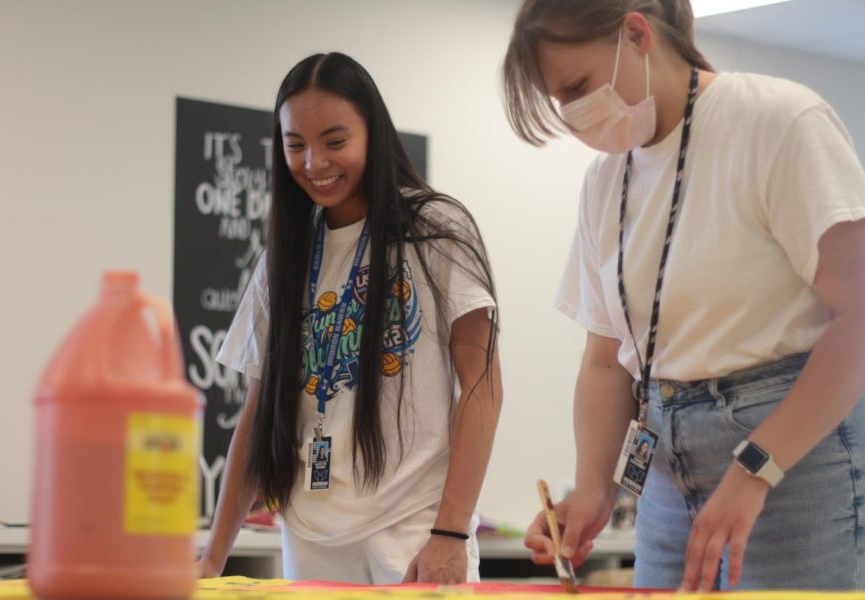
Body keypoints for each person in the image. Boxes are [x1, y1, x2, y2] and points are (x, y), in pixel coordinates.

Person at [502, 0, 865, 592]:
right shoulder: (605, 181)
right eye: (558, 100)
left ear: (638, 33)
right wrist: (594, 487)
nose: (572, 114)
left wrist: (754, 470)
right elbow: (604, 360)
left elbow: (859, 320)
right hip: (666, 472)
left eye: (577, 87)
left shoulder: (778, 119)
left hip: (790, 459)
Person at [197, 52, 502, 585]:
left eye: (335, 142)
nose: (314, 162)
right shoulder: (284, 256)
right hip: (309, 536)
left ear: (373, 134)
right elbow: (257, 410)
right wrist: (212, 557)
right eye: (296, 145)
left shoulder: (436, 228)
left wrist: (451, 532)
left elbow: (482, 386)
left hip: (412, 533)